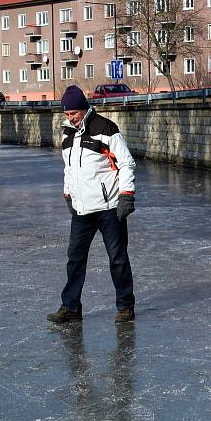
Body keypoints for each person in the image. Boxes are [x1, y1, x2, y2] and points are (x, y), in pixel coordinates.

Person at [47, 85, 137, 325]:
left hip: (109, 207)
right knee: (74, 258)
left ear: (84, 108)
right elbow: (69, 169)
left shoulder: (105, 128)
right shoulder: (67, 135)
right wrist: (69, 195)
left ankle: (125, 306)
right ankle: (70, 308)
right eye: (66, 114)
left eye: (73, 113)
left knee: (117, 258)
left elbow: (126, 163)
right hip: (81, 210)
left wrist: (126, 195)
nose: (70, 118)